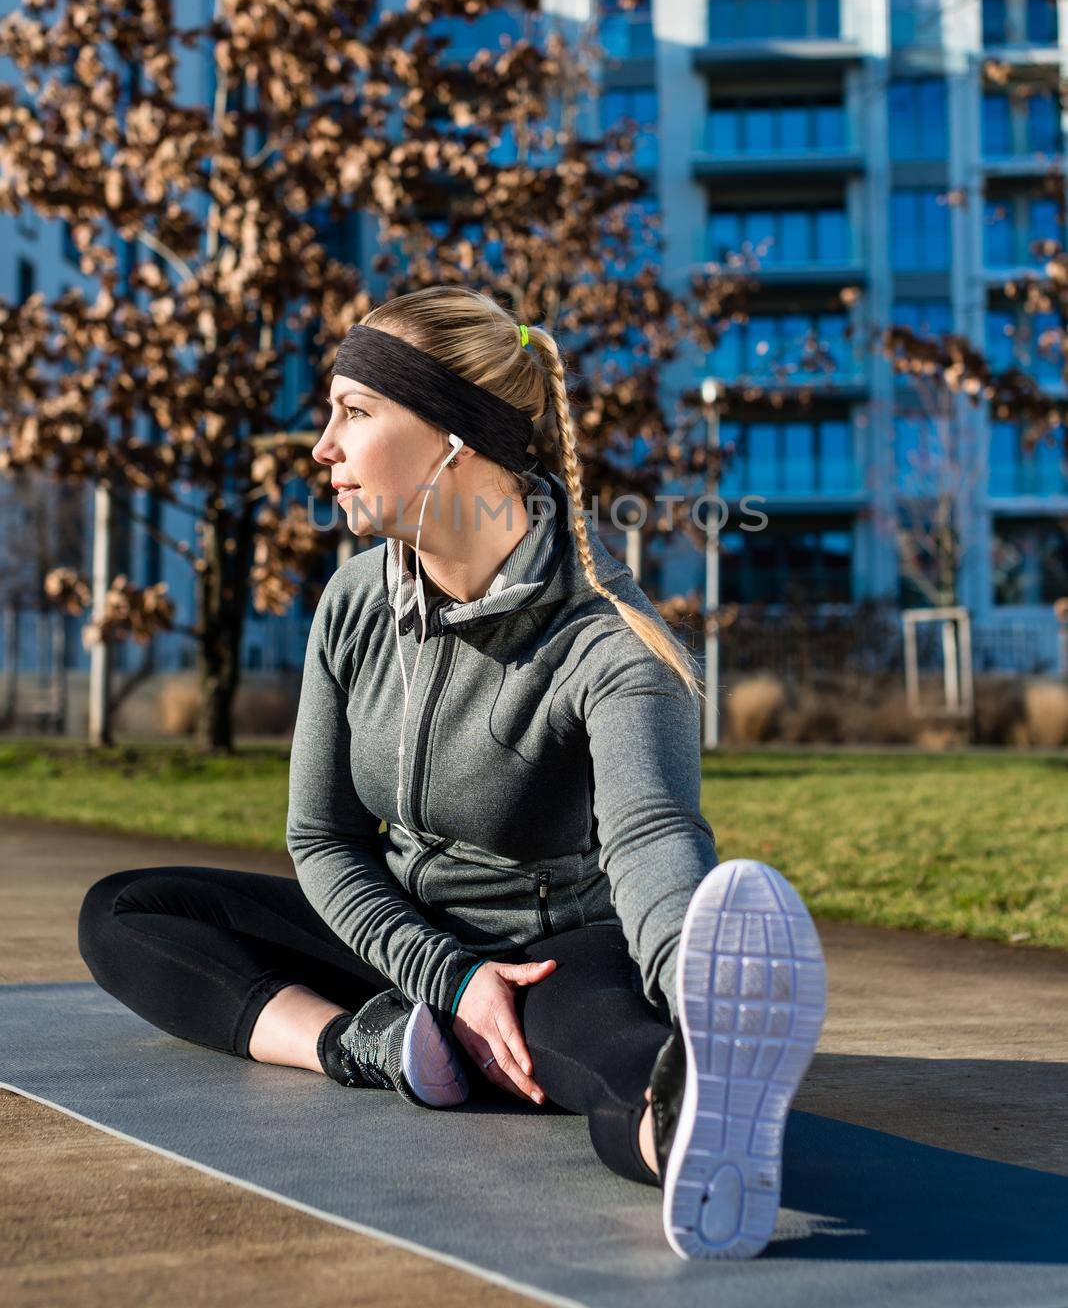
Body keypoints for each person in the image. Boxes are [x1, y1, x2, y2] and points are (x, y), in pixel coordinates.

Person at [78, 285, 827, 1263]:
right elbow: (325, 839)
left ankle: (699, 1121)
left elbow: (652, 842)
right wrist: (445, 976)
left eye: (354, 411)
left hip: (553, 950)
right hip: (406, 942)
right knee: (126, 909)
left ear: (454, 440)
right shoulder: (354, 600)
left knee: (613, 1054)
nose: (320, 449)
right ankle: (373, 1044)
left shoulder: (613, 647)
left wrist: (693, 981)